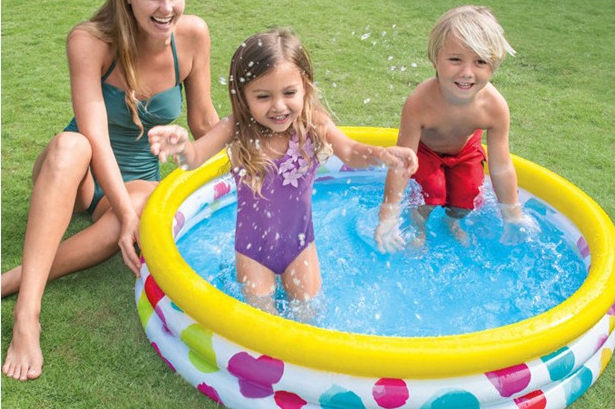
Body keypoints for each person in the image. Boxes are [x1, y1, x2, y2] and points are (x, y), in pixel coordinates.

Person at [1, 0, 220, 381]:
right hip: (76, 172)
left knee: (145, 200)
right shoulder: (90, 40)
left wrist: (245, 169)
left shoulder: (193, 36)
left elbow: (203, 121)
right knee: (72, 146)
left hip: (136, 177)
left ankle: (7, 281)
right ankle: (26, 314)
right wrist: (125, 215)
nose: (166, 8)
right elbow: (95, 135)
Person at [149, 28, 418, 315]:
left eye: (289, 93)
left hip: (300, 247)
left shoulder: (313, 125)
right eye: (263, 96)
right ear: (243, 96)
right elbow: (194, 158)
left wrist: (381, 154)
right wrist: (181, 148)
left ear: (305, 87)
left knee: (309, 315)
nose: (278, 106)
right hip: (253, 253)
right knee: (262, 320)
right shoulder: (236, 129)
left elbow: (350, 151)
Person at [375, 5, 534, 252]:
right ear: (435, 59)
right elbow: (402, 163)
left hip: (465, 150)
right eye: (455, 60)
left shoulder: (494, 107)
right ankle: (418, 225)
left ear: (493, 64)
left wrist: (512, 214)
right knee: (430, 191)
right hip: (425, 150)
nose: (467, 73)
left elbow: (502, 167)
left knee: (468, 195)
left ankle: (452, 222)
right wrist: (388, 216)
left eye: (480, 61)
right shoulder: (420, 103)